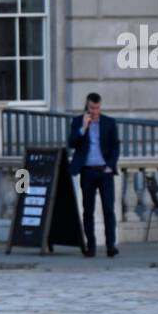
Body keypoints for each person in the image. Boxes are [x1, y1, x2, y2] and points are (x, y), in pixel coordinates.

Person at [67, 92, 120, 257]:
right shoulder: (78, 122)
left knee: (108, 210)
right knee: (87, 210)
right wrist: (83, 128)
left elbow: (115, 147)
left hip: (104, 172)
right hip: (87, 171)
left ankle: (111, 245)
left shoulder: (109, 123)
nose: (95, 111)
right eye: (92, 108)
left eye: (97, 108)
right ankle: (91, 246)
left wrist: (110, 166)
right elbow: (71, 143)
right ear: (86, 106)